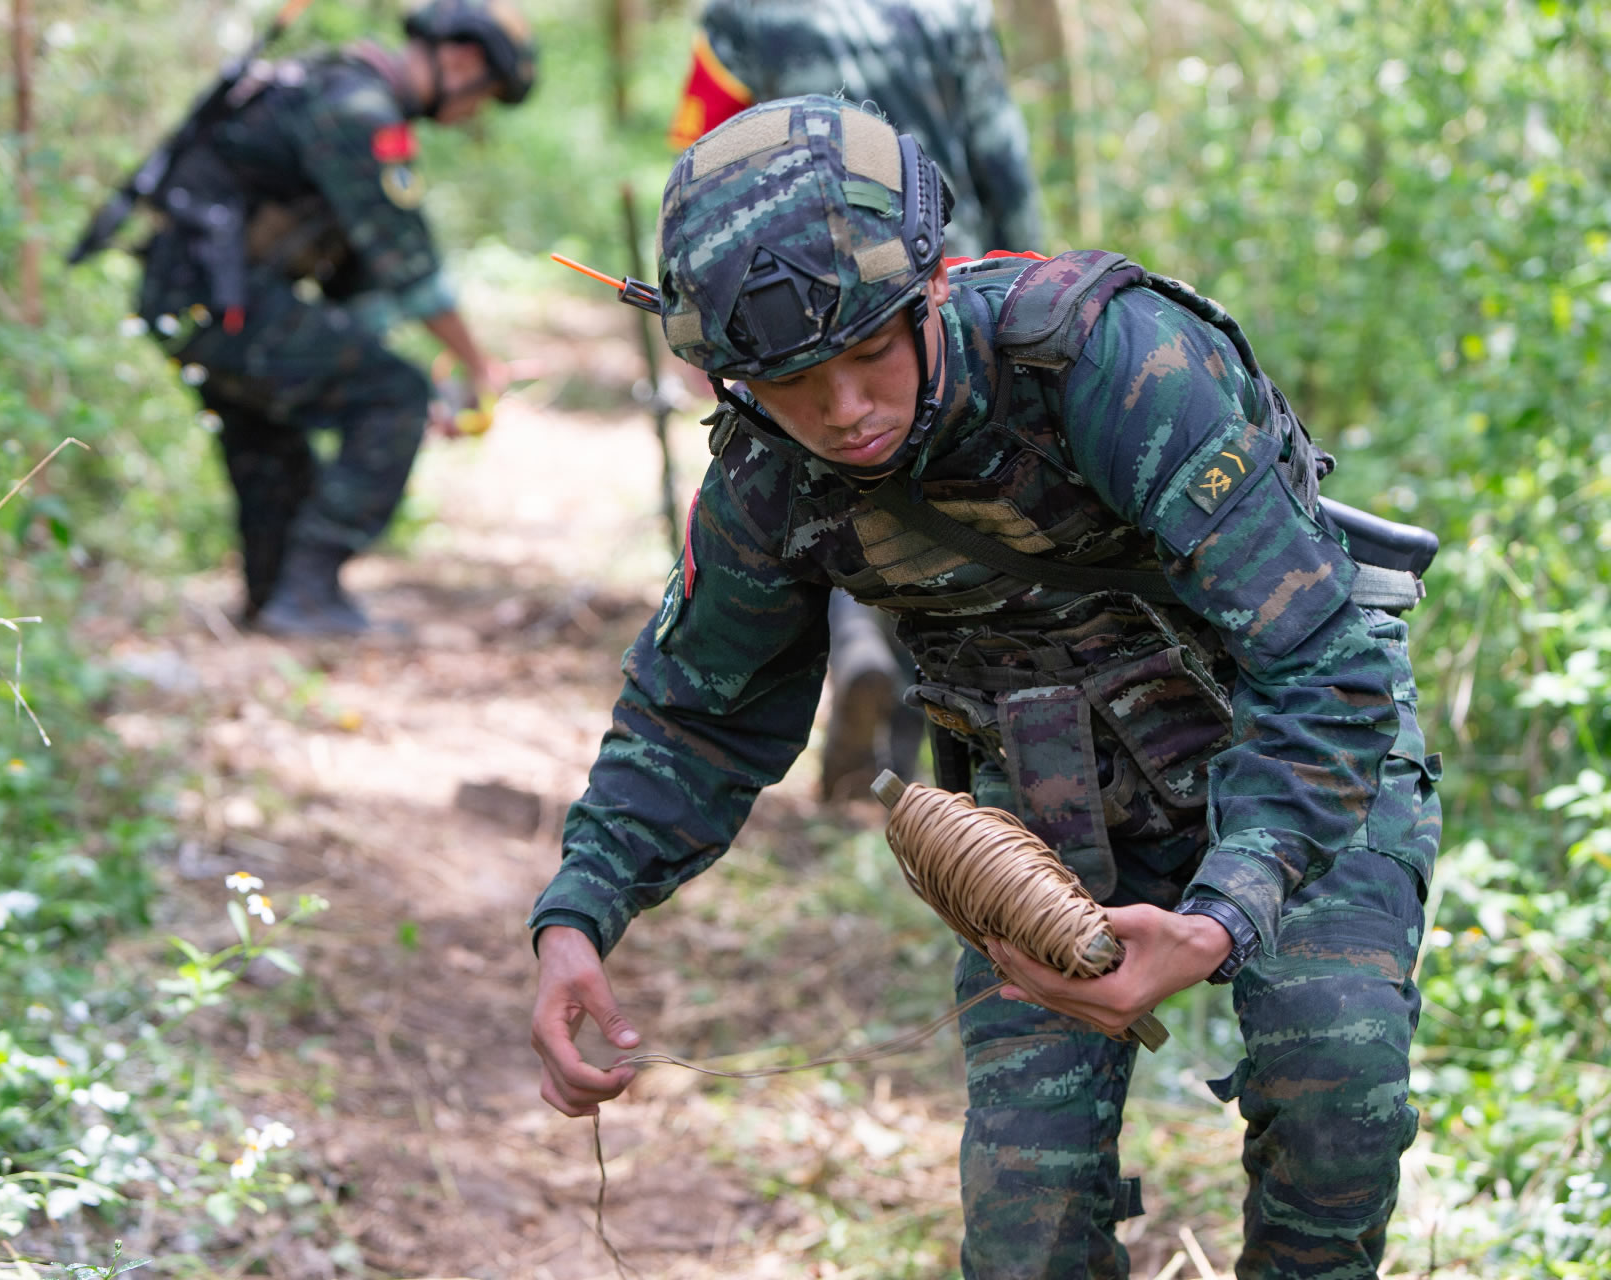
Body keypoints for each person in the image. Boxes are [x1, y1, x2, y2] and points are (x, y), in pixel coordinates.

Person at [527, 96, 1440, 1278]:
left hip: (1282, 752)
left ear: (929, 292)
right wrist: (578, 912)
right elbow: (698, 712)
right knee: (1026, 1216)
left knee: (1336, 1085)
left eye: (866, 354)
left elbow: (1320, 662)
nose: (843, 410)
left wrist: (1222, 913)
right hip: (1044, 814)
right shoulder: (769, 479)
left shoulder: (1110, 360)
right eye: (796, 384)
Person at [667, 0, 1046, 797]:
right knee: (954, 523)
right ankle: (924, 765)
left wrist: (707, 324)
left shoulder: (744, 18)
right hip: (940, 291)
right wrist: (1032, 285)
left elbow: (703, 165)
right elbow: (1000, 154)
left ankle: (852, 645)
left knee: (831, 480)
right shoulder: (954, 11)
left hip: (787, 317)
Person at [133, 0, 535, 634]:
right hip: (221, 303)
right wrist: (478, 367)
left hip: (191, 301)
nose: (471, 115)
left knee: (269, 431)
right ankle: (309, 589)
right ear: (460, 60)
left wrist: (411, 381)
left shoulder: (332, 88)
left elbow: (358, 286)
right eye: (482, 96)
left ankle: (275, 599)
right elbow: (411, 270)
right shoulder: (358, 110)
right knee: (392, 393)